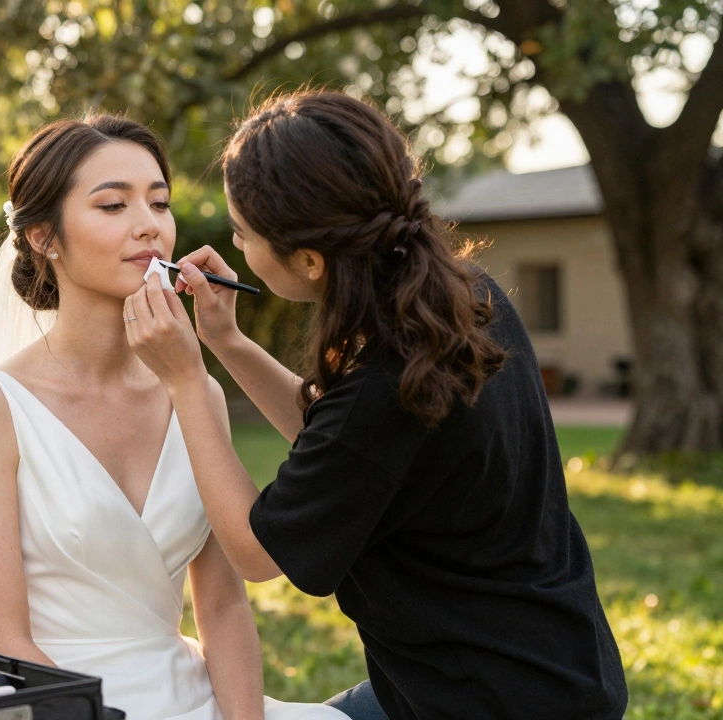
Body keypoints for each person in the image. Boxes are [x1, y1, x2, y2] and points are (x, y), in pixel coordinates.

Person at [125, 89, 628, 719]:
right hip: (544, 668)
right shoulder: (462, 297)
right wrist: (226, 340)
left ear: (308, 261)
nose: (236, 245)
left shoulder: (387, 380)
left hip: (482, 698)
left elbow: (257, 554)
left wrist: (185, 381)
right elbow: (345, 453)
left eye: (242, 233)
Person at [0, 115, 349, 720]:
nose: (150, 227)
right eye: (112, 206)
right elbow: (2, 640)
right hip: (64, 708)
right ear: (44, 238)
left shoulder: (195, 392)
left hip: (197, 700)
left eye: (160, 203)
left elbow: (223, 608)